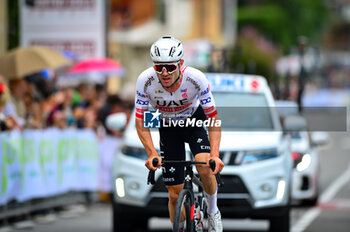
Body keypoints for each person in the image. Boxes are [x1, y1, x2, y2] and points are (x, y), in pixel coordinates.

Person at [135, 36, 224, 231]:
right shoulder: (145, 81)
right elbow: (141, 120)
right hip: (168, 127)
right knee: (174, 195)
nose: (164, 73)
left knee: (205, 168)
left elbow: (213, 118)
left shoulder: (196, 78)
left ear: (181, 64)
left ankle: (212, 212)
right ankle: (181, 227)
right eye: (159, 67)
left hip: (193, 122)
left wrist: (215, 155)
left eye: (170, 67)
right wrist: (152, 153)